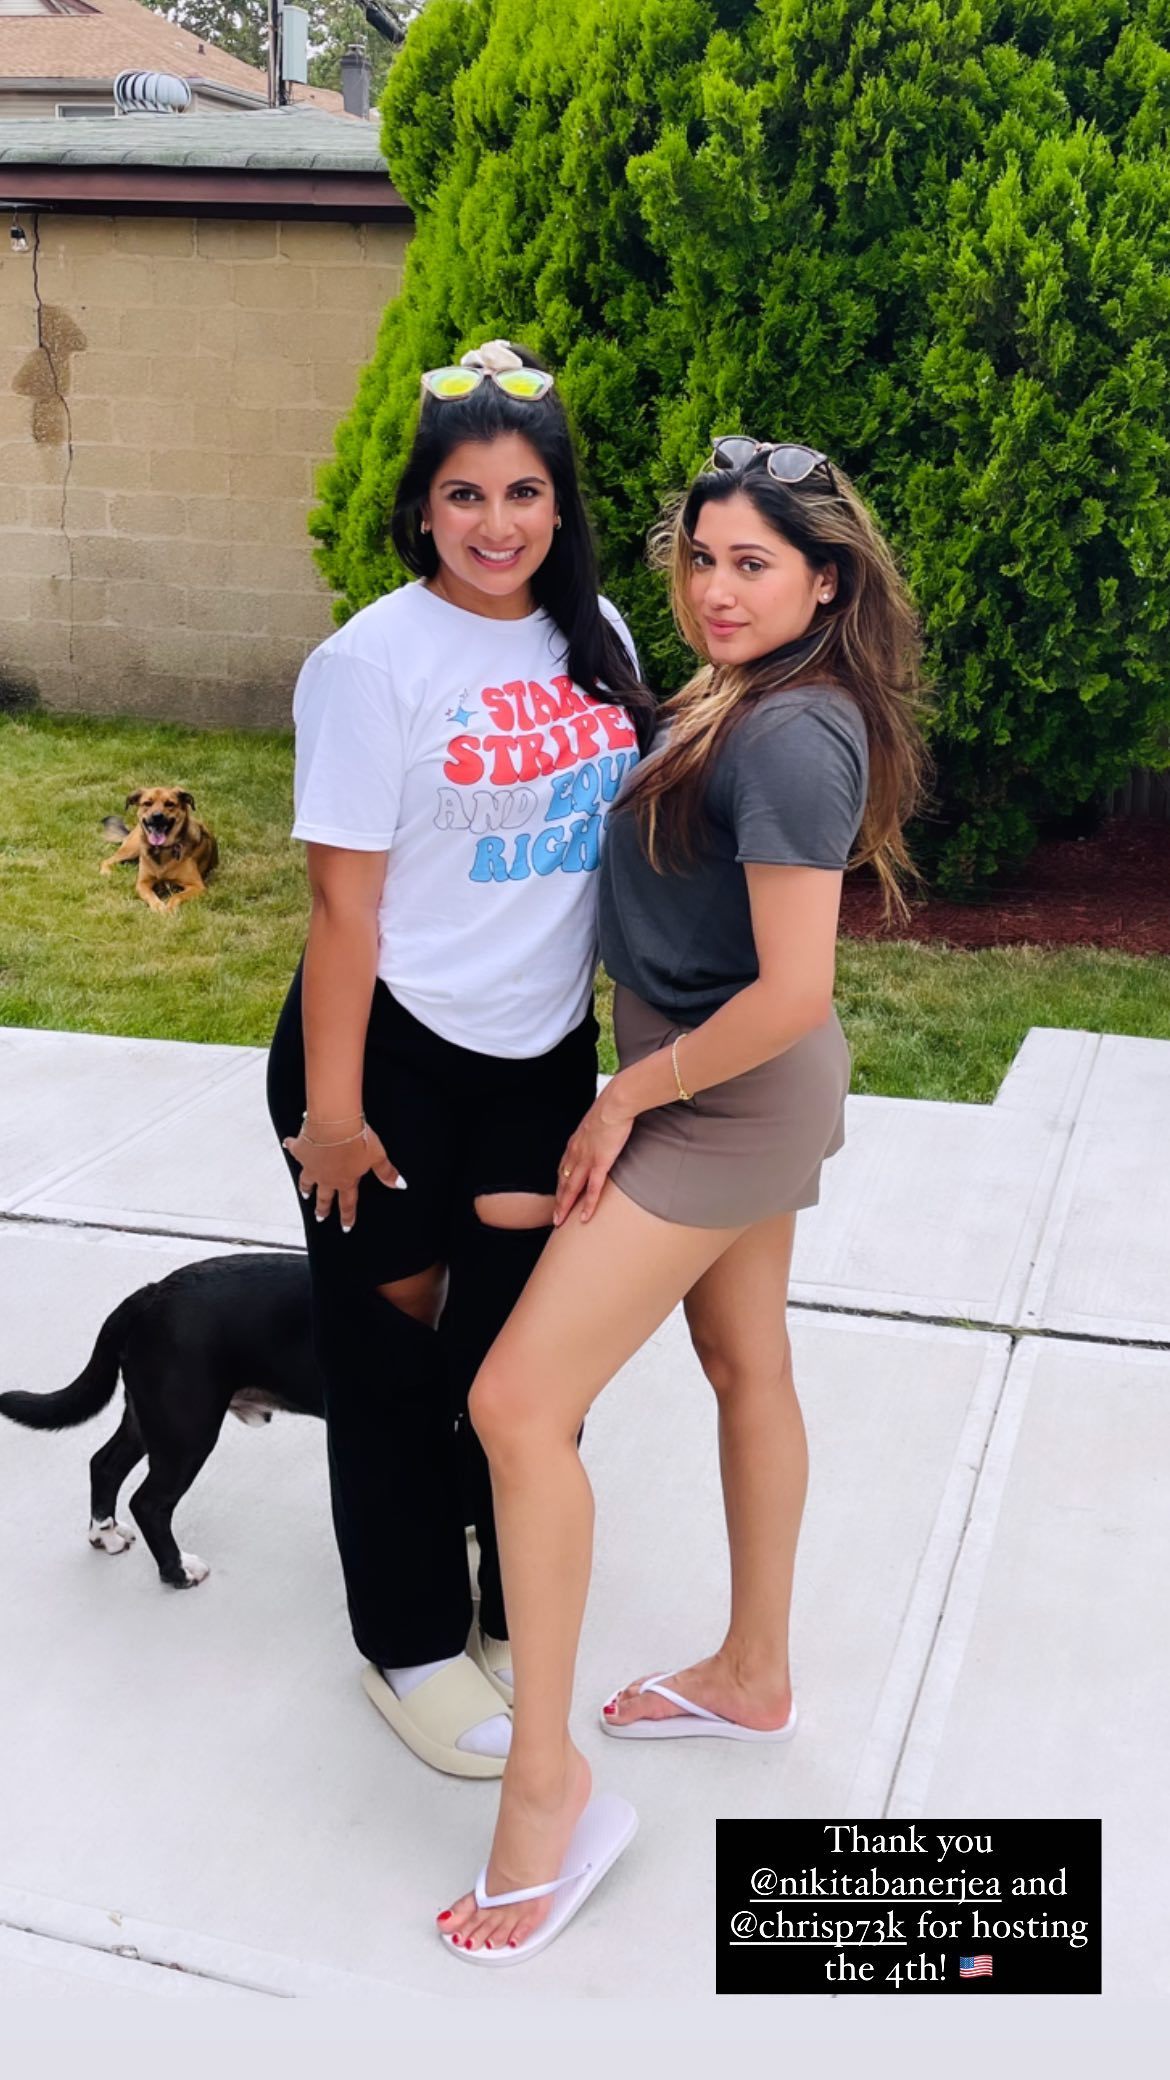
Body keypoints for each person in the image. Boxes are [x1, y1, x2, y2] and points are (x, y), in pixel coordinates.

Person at [436, 437, 928, 1962]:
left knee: (516, 1404)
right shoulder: (738, 691)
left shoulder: (790, 735)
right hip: (714, 1081)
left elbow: (792, 991)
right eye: (700, 559)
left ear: (823, 581)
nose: (716, 588)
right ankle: (752, 1676)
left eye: (752, 564)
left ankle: (546, 1791)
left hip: (722, 1095)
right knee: (742, 1361)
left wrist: (622, 1097)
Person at [266, 340, 651, 1779]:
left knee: (509, 1355)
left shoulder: (594, 631)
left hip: (538, 1055)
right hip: (388, 1060)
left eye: (524, 492)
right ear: (420, 506)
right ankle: (411, 1641)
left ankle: (499, 1595)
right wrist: (334, 1114)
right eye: (465, 494)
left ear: (560, 503)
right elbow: (341, 911)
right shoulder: (371, 662)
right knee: (387, 1363)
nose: (497, 523)